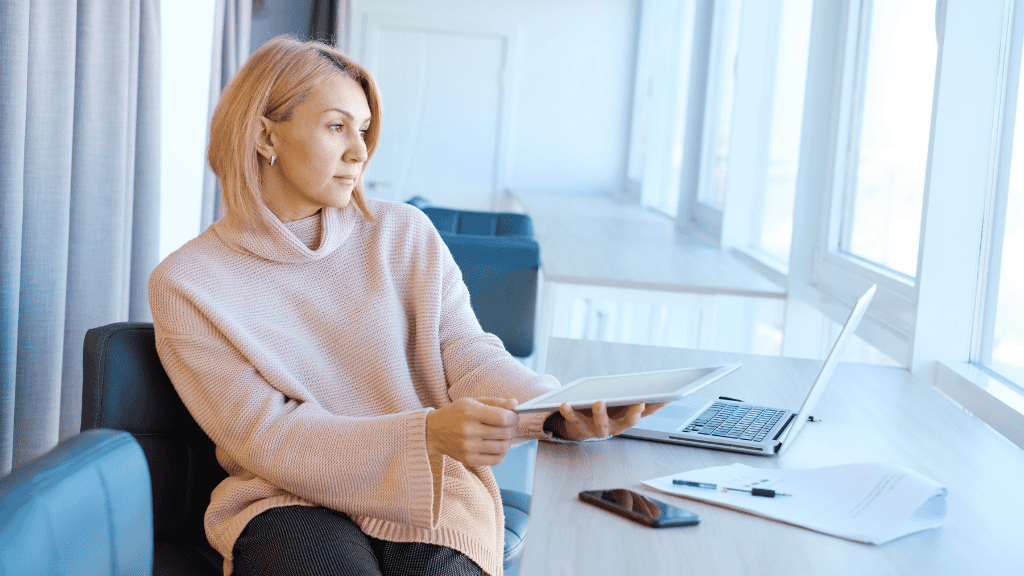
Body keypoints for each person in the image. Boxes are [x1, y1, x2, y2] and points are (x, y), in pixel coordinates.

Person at [148, 35, 664, 576]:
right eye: (337, 126)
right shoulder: (188, 284)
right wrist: (425, 433)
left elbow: (468, 355)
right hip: (287, 497)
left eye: (364, 131)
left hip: (433, 490)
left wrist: (556, 411)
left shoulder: (403, 233)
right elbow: (268, 439)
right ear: (263, 134)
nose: (360, 151)